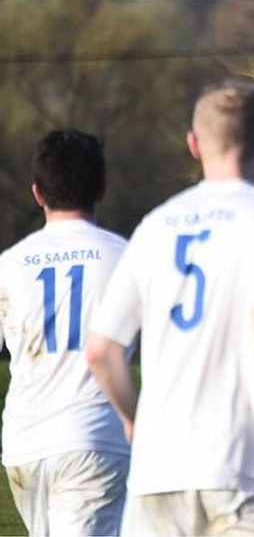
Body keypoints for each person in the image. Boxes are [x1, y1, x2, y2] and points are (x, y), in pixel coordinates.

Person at [85, 77, 254, 535]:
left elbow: (101, 351)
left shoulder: (154, 225)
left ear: (193, 144)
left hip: (157, 474)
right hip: (243, 469)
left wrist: (136, 424)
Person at [0, 130, 130, 536]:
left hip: (24, 444)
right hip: (92, 439)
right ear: (103, 188)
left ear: (38, 193)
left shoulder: (9, 263)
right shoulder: (125, 256)